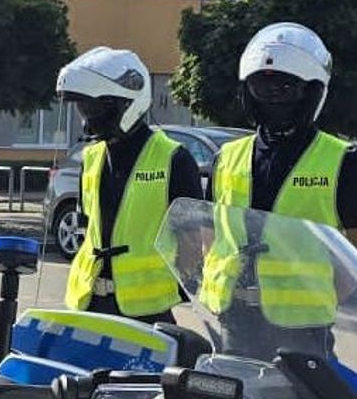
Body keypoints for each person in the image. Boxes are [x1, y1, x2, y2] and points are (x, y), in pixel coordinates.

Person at [202, 22, 357, 357]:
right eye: (262, 86)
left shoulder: (342, 162)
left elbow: (354, 259)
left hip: (302, 332)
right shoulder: (226, 158)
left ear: (313, 91)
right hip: (233, 321)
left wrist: (314, 297)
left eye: (286, 87)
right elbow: (211, 237)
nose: (273, 97)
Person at [57, 47, 204, 324]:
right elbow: (89, 229)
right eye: (82, 106)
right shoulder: (91, 158)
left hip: (147, 312)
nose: (87, 115)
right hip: (87, 303)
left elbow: (192, 245)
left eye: (94, 106)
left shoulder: (174, 158)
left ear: (126, 102)